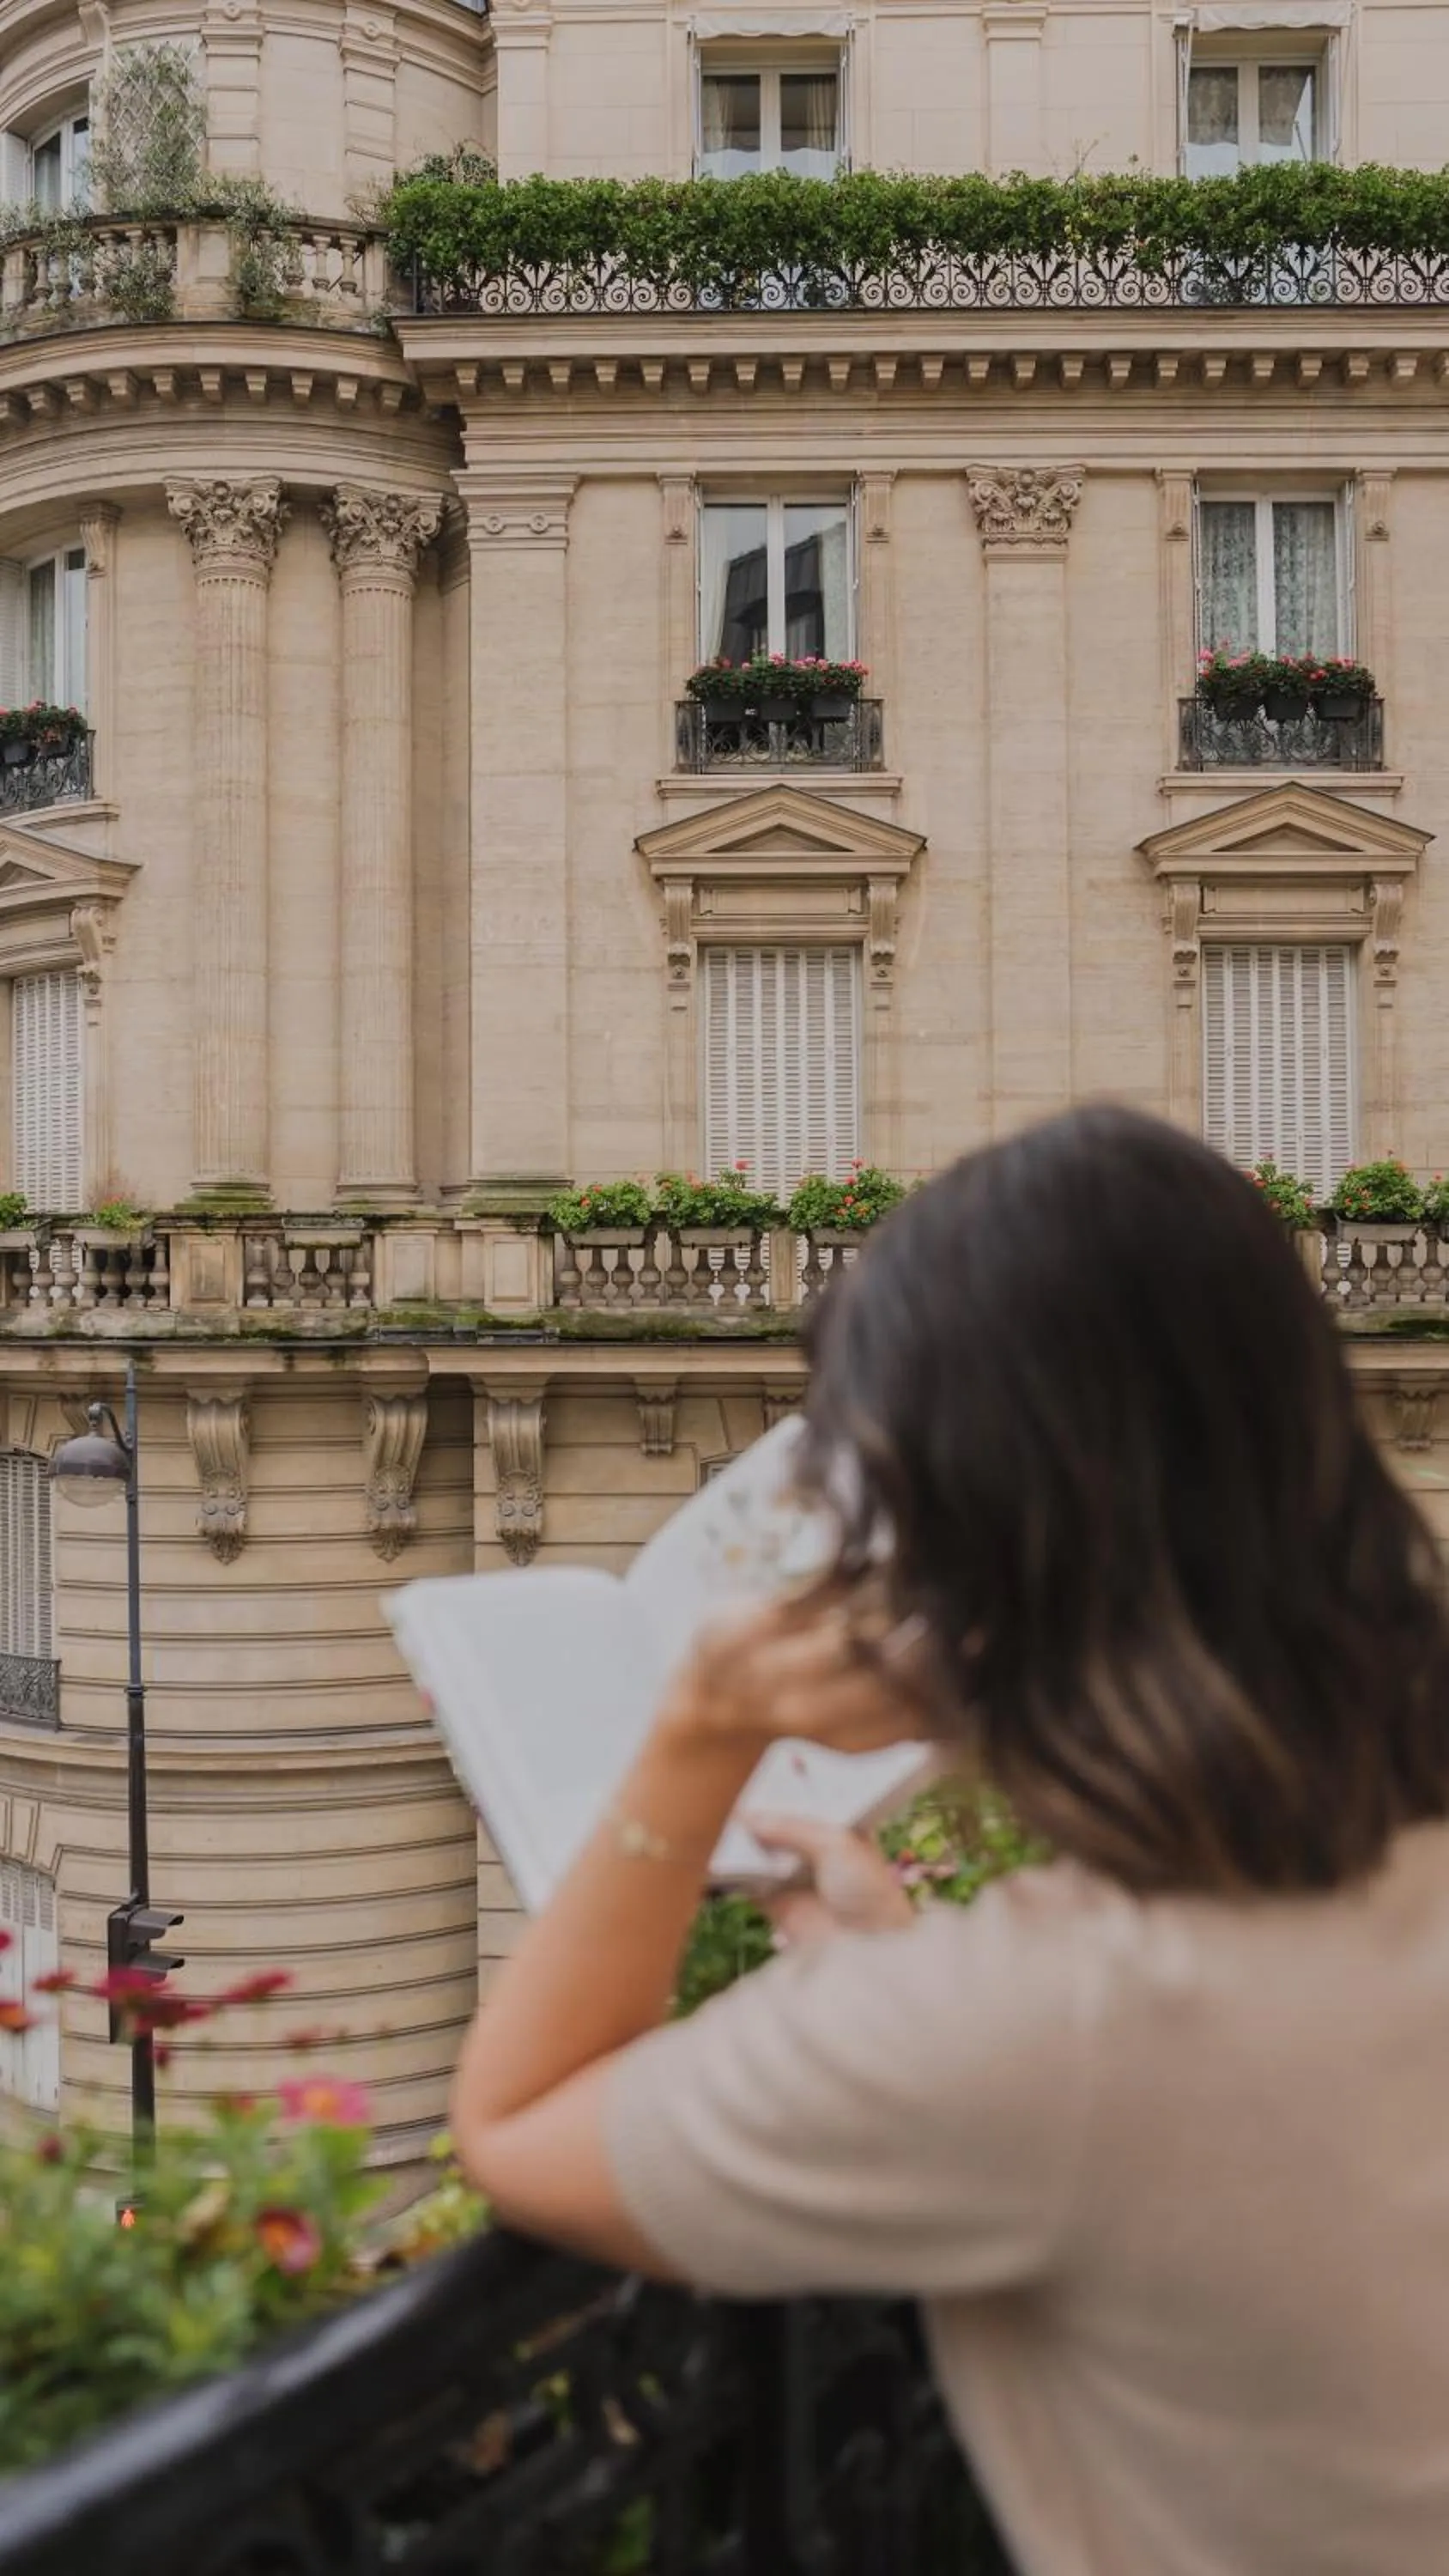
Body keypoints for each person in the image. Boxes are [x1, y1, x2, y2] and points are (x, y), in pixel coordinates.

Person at [449, 1104, 1449, 2576]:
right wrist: (913, 1978)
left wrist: (700, 1732)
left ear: (971, 1542)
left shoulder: (1052, 2023)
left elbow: (519, 2122)